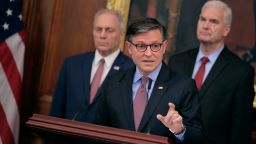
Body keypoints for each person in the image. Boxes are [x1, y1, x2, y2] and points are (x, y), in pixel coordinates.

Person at [95, 17, 203, 144]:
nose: (148, 53)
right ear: (129, 48)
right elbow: (97, 129)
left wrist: (179, 130)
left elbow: (198, 137)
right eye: (141, 46)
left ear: (164, 47)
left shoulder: (184, 86)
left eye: (155, 46)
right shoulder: (113, 83)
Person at [168, 1, 255, 144]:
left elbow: (240, 131)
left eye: (213, 21)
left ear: (226, 30)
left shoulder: (241, 73)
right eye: (202, 19)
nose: (205, 25)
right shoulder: (177, 62)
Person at [49, 9, 134, 123]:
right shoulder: (72, 65)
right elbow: (55, 112)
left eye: (109, 30)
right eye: (98, 29)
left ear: (121, 34)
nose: (102, 35)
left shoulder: (132, 69)